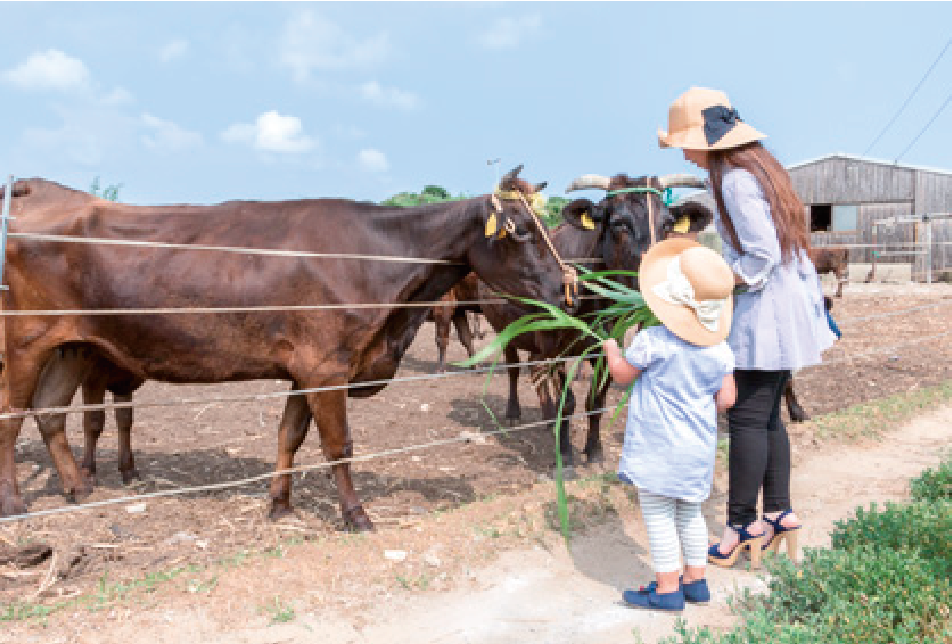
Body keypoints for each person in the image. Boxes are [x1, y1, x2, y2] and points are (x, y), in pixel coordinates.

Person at [657, 87, 836, 566]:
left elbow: (761, 255)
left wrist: (710, 281)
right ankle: (779, 514)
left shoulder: (733, 181)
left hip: (766, 309)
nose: (685, 153)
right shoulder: (761, 170)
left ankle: (740, 527)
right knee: (769, 414)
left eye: (685, 142)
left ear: (708, 141)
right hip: (787, 303)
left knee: (747, 419)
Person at [603, 238, 737, 611]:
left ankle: (666, 589)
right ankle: (696, 582)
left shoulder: (653, 341)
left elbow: (622, 375)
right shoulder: (721, 349)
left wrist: (613, 349)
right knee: (690, 512)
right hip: (697, 448)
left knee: (659, 514)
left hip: (659, 448)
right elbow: (726, 399)